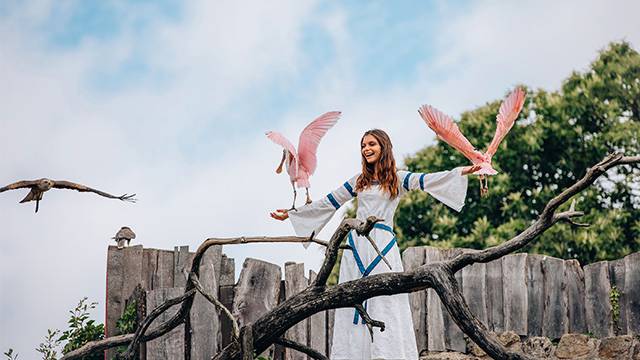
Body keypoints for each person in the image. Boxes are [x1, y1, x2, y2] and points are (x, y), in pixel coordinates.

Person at [271, 129, 479, 360]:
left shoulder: (398, 179)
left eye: (371, 144)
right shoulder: (358, 182)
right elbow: (329, 203)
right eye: (363, 145)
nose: (366, 149)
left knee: (386, 300)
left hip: (383, 246)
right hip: (356, 248)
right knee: (352, 301)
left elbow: (427, 180)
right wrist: (292, 214)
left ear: (384, 147)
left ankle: (388, 354)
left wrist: (465, 170)